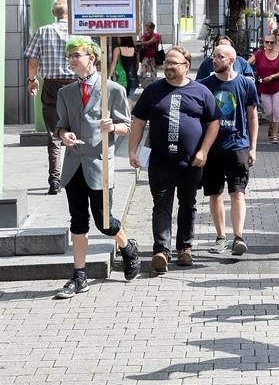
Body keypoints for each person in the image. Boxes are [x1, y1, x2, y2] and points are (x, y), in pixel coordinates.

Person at [52, 37, 142, 298]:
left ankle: (127, 248)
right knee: (78, 222)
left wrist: (113, 126)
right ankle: (79, 275)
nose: (71, 60)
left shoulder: (112, 89)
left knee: (104, 222)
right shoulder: (65, 92)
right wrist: (63, 135)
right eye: (69, 56)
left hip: (99, 166)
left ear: (91, 57)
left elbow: (127, 124)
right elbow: (61, 125)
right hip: (73, 166)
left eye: (76, 55)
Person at [129, 45, 220, 272]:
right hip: (160, 162)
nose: (168, 67)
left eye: (173, 63)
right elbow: (138, 122)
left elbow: (214, 123)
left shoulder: (201, 92)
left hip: (191, 162)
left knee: (188, 205)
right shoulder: (153, 90)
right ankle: (161, 250)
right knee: (161, 206)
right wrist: (132, 150)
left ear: (186, 66)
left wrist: (204, 151)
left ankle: (185, 248)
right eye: (166, 63)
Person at [198, 44, 259, 256]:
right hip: (212, 148)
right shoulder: (204, 85)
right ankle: (220, 236)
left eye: (220, 57)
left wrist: (253, 147)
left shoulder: (246, 84)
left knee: (237, 192)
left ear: (231, 60)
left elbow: (253, 117)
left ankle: (238, 237)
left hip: (237, 145)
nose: (214, 60)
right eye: (214, 56)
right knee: (214, 194)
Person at [25, 0, 74, 195]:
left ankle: (55, 181)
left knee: (54, 134)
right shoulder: (78, 31)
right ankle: (76, 178)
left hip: (52, 86)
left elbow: (33, 61)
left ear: (54, 13)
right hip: (76, 86)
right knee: (78, 128)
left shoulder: (43, 31)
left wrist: (32, 80)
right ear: (69, 13)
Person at [249, 34, 279, 144]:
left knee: (276, 110)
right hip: (264, 87)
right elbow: (247, 64)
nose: (269, 44)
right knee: (268, 112)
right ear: (264, 43)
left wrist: (272, 76)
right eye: (267, 42)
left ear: (275, 43)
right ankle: (271, 126)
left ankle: (275, 134)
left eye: (272, 42)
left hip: (278, 87)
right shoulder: (259, 54)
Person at [137, 21, 162, 88]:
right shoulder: (145, 35)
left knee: (153, 72)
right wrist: (144, 39)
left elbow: (148, 42)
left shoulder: (157, 36)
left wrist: (143, 42)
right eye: (146, 28)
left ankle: (153, 86)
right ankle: (143, 85)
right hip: (145, 56)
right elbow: (141, 41)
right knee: (143, 71)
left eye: (148, 28)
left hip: (154, 56)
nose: (147, 30)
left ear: (152, 28)